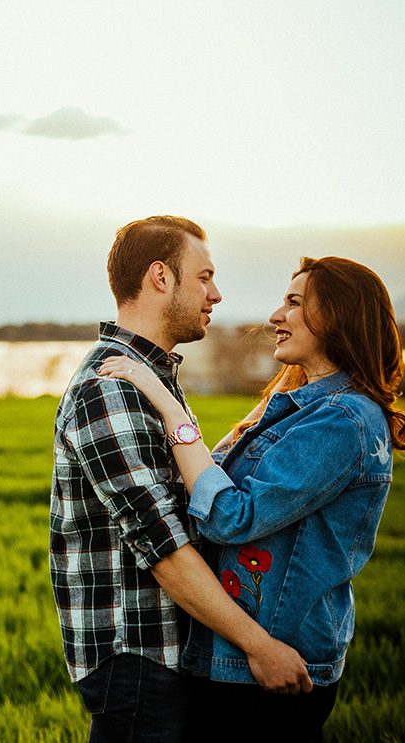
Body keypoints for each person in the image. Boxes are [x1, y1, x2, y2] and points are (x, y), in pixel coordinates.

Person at [97, 255, 402, 742]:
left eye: (295, 303)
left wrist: (164, 399)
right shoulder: (299, 407)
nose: (276, 316)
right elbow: (209, 483)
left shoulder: (343, 421)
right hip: (239, 664)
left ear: (338, 318)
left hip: (268, 670)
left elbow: (227, 515)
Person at [50, 216, 311, 743]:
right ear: (160, 278)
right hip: (141, 659)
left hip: (165, 655)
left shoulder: (147, 378)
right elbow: (163, 545)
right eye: (204, 276)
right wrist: (260, 646)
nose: (215, 294)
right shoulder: (112, 386)